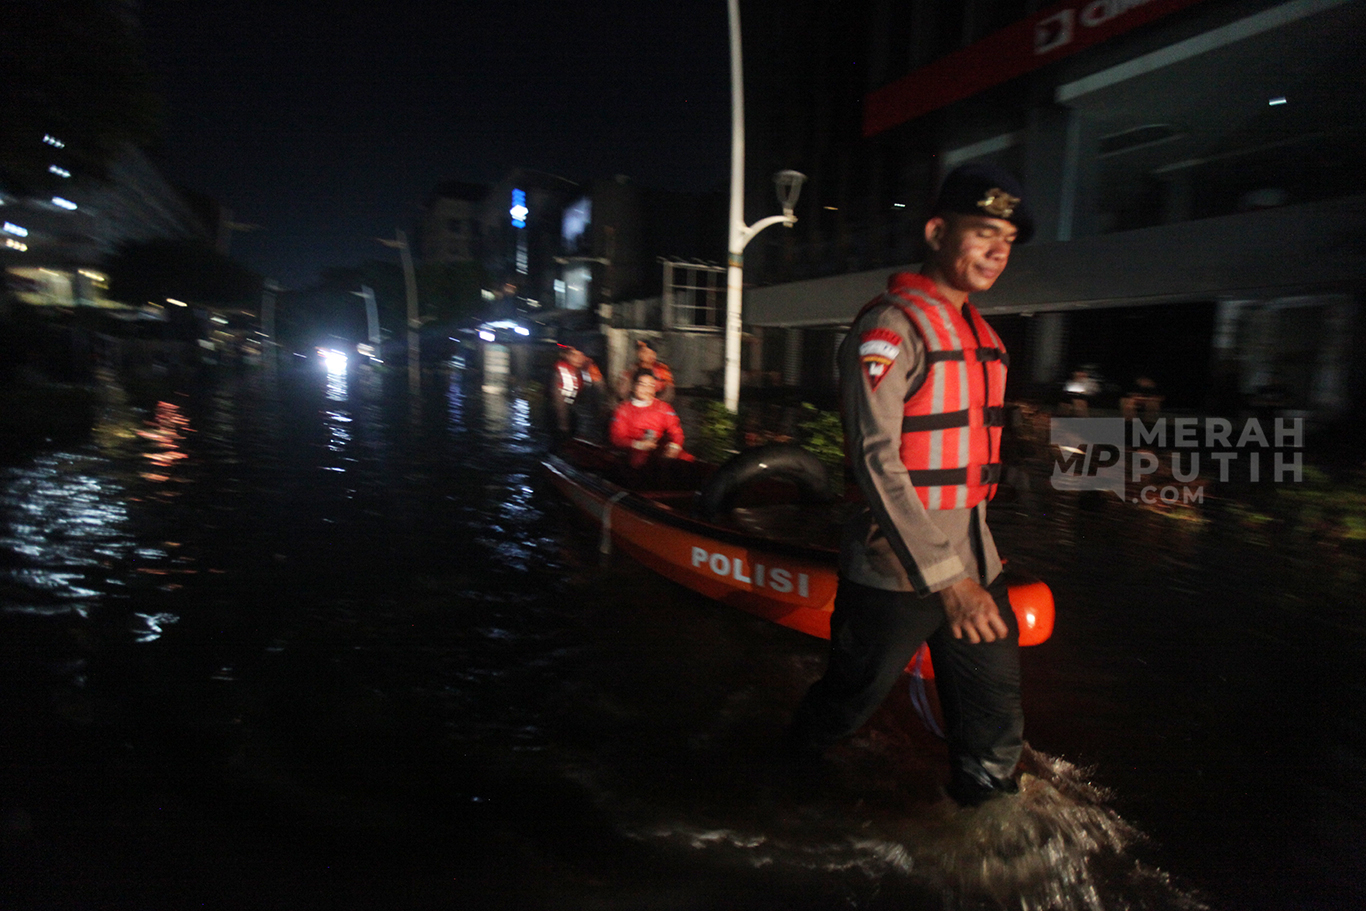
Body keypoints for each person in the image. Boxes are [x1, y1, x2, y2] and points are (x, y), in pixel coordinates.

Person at [787, 162, 1034, 808]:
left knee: (994, 710)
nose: (998, 250)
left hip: (975, 565)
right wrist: (947, 580)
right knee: (848, 701)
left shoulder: (986, 339)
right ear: (936, 231)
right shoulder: (889, 330)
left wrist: (969, 570)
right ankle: (784, 775)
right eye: (983, 232)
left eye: (1006, 239)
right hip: (895, 571)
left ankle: (986, 823)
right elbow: (876, 460)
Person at [609, 368, 689, 470]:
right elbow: (617, 438)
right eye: (642, 385)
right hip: (635, 455)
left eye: (651, 385)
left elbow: (676, 431)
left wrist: (674, 446)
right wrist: (639, 445)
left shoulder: (663, 407)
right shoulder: (623, 410)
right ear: (633, 386)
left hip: (662, 452)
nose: (647, 389)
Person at [548, 344, 603, 446]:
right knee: (560, 440)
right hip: (559, 412)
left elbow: (600, 387)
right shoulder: (560, 373)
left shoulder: (588, 367)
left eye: (581, 355)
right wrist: (563, 425)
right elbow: (559, 402)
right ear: (567, 356)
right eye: (574, 355)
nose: (578, 359)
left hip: (576, 408)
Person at [617, 338, 675, 403]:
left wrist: (655, 405)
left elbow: (669, 393)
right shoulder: (631, 370)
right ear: (638, 353)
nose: (647, 355)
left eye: (650, 353)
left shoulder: (662, 371)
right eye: (644, 352)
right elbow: (622, 393)